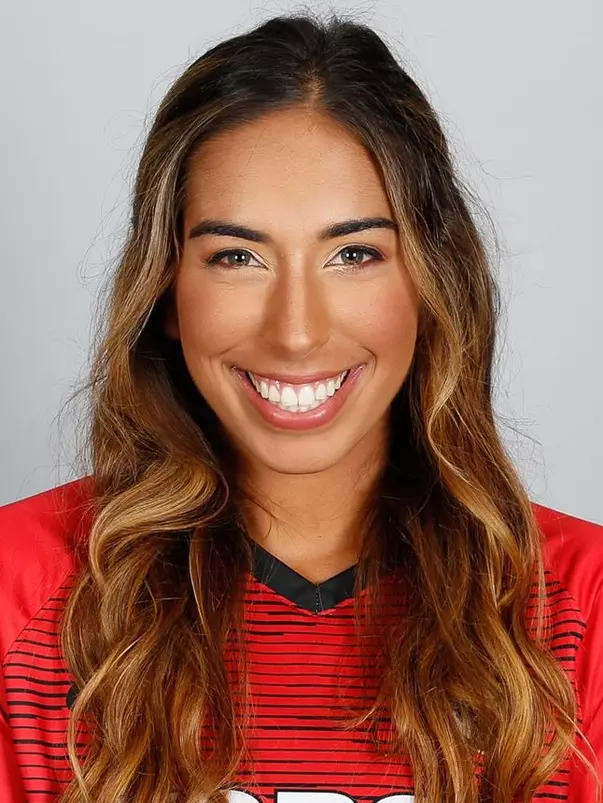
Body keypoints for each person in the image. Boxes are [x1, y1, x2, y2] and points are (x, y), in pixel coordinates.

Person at [0, 11, 601, 803]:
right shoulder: (19, 589)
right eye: (236, 256)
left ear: (432, 282)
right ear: (167, 291)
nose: (295, 331)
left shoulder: (581, 603)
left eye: (353, 254)